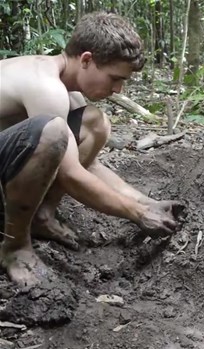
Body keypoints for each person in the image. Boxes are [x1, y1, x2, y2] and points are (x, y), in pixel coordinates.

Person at [0, 11, 184, 288]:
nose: (119, 89)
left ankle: (41, 216)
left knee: (94, 123)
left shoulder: (65, 90)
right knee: (53, 132)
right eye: (114, 78)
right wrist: (136, 214)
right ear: (86, 59)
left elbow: (89, 166)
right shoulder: (46, 88)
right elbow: (71, 175)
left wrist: (147, 202)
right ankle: (14, 246)